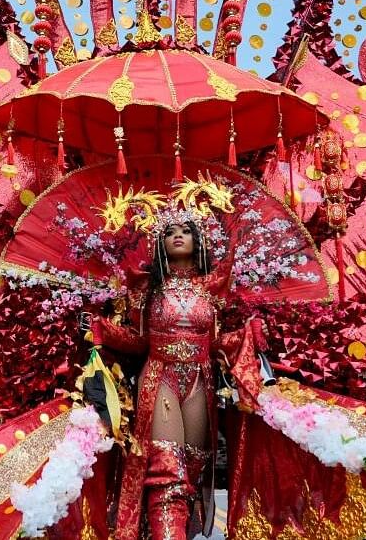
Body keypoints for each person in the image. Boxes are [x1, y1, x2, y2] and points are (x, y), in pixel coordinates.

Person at [92, 217, 264, 540]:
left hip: (200, 381)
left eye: (186, 231)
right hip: (160, 377)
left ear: (198, 241)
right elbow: (138, 341)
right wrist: (105, 331)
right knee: (167, 470)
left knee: (192, 469)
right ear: (160, 245)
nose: (179, 237)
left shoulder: (212, 287)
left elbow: (215, 343)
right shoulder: (147, 287)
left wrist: (247, 335)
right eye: (170, 233)